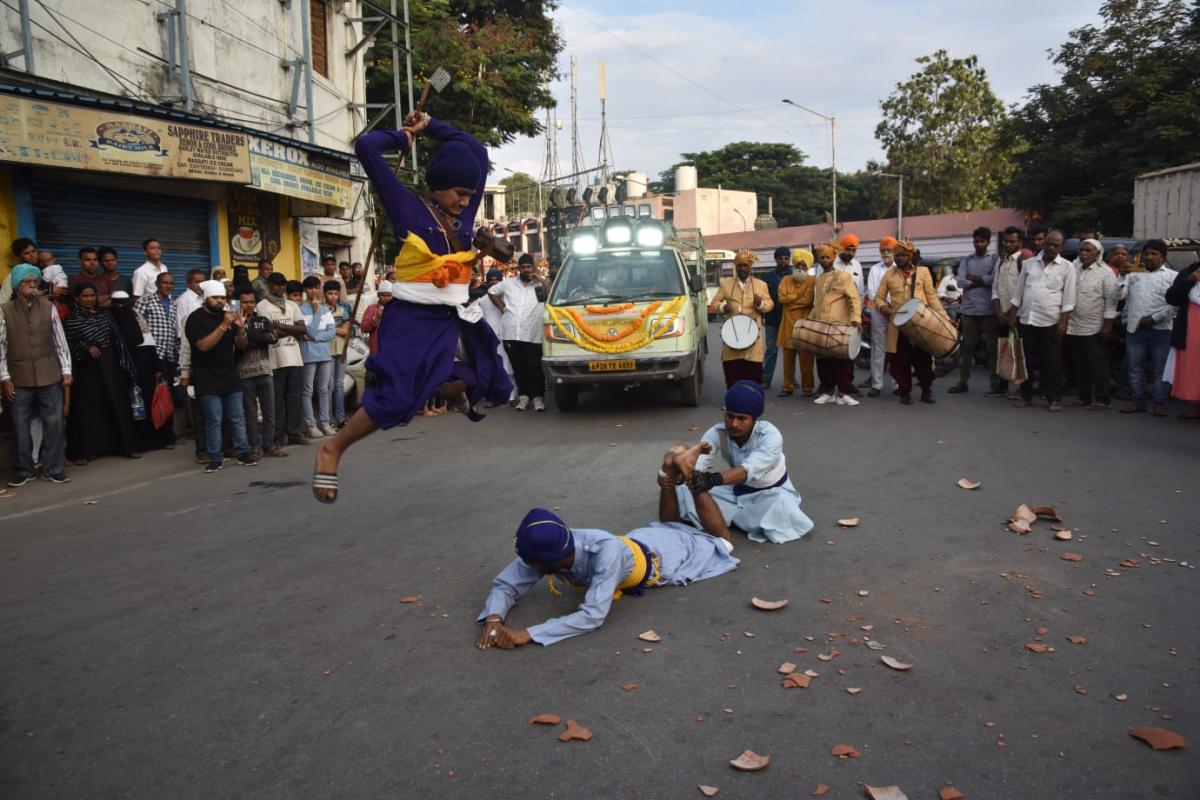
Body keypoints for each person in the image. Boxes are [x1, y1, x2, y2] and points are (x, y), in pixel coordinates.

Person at [311, 111, 512, 503]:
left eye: (470, 196)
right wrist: (402, 138)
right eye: (458, 194)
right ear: (439, 187)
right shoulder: (408, 210)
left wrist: (433, 124)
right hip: (411, 319)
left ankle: (443, 384)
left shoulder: (465, 214)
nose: (465, 203)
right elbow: (366, 147)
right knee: (397, 399)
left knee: (490, 378)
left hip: (452, 318)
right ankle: (332, 448)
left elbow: (478, 149)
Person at [476, 503, 738, 649]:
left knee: (722, 545)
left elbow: (592, 616)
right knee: (684, 525)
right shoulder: (550, 546)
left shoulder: (605, 553)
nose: (526, 565)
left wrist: (528, 633)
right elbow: (506, 583)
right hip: (638, 540)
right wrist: (494, 618)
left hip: (667, 557)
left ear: (549, 563)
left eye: (530, 563)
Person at [673, 380, 815, 544]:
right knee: (684, 492)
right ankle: (739, 517)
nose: (734, 424)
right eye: (730, 416)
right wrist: (686, 474)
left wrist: (710, 480)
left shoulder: (771, 436)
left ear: (754, 419)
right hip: (736, 490)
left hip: (772, 494)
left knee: (780, 509)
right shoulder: (717, 432)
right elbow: (699, 463)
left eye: (742, 418)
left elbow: (747, 470)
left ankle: (731, 516)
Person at [1, 265, 72, 486]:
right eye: (27, 282)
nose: (32, 286)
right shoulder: (4, 310)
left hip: (49, 374)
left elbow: (60, 340)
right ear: (17, 286)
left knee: (54, 423)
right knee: (20, 426)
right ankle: (24, 470)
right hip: (18, 377)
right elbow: (1, 346)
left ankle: (54, 468)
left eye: (35, 282)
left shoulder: (49, 307)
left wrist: (66, 370)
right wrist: (5, 377)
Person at [63, 284, 141, 464]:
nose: (90, 299)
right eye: (85, 296)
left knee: (116, 405)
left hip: (110, 369)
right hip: (86, 373)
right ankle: (87, 451)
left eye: (92, 295)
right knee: (88, 411)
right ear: (77, 298)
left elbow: (118, 341)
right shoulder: (71, 320)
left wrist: (125, 366)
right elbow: (67, 344)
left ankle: (125, 447)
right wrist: (85, 347)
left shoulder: (105, 316)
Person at [185, 280, 256, 472]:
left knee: (236, 417)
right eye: (215, 298)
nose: (219, 301)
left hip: (230, 374)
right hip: (206, 377)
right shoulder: (194, 319)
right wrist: (224, 325)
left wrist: (241, 328)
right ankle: (215, 457)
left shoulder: (229, 316)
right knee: (214, 419)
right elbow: (203, 346)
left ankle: (243, 452)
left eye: (222, 298)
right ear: (206, 298)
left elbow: (241, 345)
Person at [1007, 230, 1076, 412]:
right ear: (1044, 244)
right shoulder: (1029, 264)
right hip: (1027, 319)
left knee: (1052, 362)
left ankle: (1054, 398)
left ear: (1061, 247)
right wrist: (1013, 315)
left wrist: (1063, 323)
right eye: (1049, 244)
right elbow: (1018, 292)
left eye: (1056, 244)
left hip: (1051, 321)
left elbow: (1069, 299)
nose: (1051, 247)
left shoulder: (1067, 267)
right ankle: (1025, 395)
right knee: (1025, 361)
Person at [875, 240, 947, 405]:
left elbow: (932, 297)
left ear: (910, 256)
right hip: (898, 325)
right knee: (900, 361)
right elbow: (879, 297)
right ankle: (904, 392)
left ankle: (926, 391)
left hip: (921, 323)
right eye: (897, 255)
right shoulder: (889, 274)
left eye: (903, 256)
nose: (899, 258)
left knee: (924, 360)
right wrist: (884, 308)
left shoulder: (923, 272)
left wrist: (944, 317)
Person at [111, 290, 175, 452]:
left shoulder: (138, 318)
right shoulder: (109, 319)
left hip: (144, 367)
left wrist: (157, 368)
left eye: (123, 303)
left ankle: (154, 441)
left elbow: (148, 342)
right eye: (116, 304)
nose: (120, 307)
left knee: (146, 404)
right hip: (120, 370)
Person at [1120, 239, 1177, 416]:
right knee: (1135, 367)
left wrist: (1154, 318)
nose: (1149, 257)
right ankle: (1138, 401)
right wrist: (1122, 276)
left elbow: (1175, 304)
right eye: (1147, 254)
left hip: (1162, 328)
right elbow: (1119, 296)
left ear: (1163, 257)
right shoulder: (1133, 274)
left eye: (1154, 254)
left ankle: (1159, 402)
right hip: (1136, 328)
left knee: (1161, 369)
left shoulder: (1172, 276)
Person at [488, 254, 547, 411]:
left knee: (534, 366)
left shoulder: (540, 285)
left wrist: (540, 279)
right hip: (511, 332)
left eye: (529, 267)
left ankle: (538, 397)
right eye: (523, 267)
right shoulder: (508, 284)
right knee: (519, 367)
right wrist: (501, 307)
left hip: (533, 333)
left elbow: (553, 292)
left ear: (533, 268)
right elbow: (492, 291)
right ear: (518, 269)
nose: (526, 270)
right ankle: (524, 397)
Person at [257, 272, 309, 448]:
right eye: (277, 284)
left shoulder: (292, 304)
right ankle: (278, 436)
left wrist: (281, 326)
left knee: (294, 398)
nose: (281, 287)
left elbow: (302, 329)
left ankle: (294, 433)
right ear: (269, 285)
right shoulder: (262, 306)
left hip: (295, 358)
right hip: (275, 359)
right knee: (277, 400)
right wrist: (291, 329)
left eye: (283, 284)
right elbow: (269, 332)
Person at [1066, 239, 1119, 409]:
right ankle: (1084, 396)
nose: (1083, 253)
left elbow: (1111, 301)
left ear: (1097, 253)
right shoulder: (1073, 268)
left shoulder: (1106, 272)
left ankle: (1103, 398)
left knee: (1097, 364)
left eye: (1088, 251)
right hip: (1073, 325)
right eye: (1081, 250)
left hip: (1095, 326)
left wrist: (1107, 325)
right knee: (1079, 363)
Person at [234, 287, 284, 458]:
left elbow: (273, 338)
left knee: (269, 410)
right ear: (238, 303)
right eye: (245, 302)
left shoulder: (262, 320)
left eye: (251, 302)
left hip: (265, 370)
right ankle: (256, 446)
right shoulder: (234, 322)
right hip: (245, 373)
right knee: (251, 413)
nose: (248, 305)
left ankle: (269, 445)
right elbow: (240, 345)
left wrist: (250, 335)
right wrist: (256, 337)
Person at [809, 243, 862, 406]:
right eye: (822, 257)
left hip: (841, 324)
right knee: (824, 360)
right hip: (822, 324)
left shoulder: (843, 276)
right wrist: (810, 320)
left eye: (828, 257)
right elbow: (818, 303)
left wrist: (856, 319)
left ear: (833, 258)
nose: (825, 260)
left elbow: (853, 298)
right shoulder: (818, 279)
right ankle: (828, 392)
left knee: (842, 360)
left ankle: (844, 393)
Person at [712, 250, 774, 388]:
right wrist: (723, 307)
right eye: (739, 265)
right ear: (735, 267)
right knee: (732, 374)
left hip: (753, 337)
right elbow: (714, 302)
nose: (742, 268)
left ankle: (751, 403)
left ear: (750, 267)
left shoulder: (760, 285)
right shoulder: (726, 284)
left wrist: (760, 304)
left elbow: (770, 305)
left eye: (745, 265)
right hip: (732, 337)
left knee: (753, 375)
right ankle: (733, 403)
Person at [949, 227, 999, 394]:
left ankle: (995, 384)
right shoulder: (967, 260)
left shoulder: (994, 259)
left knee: (992, 349)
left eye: (982, 241)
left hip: (989, 310)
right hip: (969, 310)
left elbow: (994, 279)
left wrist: (975, 279)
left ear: (988, 242)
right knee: (967, 348)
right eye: (976, 241)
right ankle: (963, 382)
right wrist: (983, 281)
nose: (978, 244)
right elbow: (960, 281)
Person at [175, 268, 208, 463]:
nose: (200, 286)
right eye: (197, 282)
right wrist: (185, 370)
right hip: (195, 359)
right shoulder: (184, 301)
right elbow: (183, 336)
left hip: (215, 364)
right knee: (199, 410)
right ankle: (202, 449)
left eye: (203, 282)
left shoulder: (211, 303)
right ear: (189, 282)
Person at [299, 275, 336, 437]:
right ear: (305, 290)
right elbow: (309, 331)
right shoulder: (300, 310)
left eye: (316, 287)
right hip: (308, 355)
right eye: (310, 288)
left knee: (324, 389)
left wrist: (315, 337)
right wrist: (316, 312)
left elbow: (331, 332)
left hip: (325, 355)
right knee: (307, 390)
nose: (314, 291)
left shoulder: (326, 310)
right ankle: (310, 424)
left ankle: (325, 423)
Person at [775, 248, 815, 398]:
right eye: (798, 265)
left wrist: (791, 301)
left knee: (807, 360)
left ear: (808, 267)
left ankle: (807, 388)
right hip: (787, 326)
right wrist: (798, 296)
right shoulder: (786, 280)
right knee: (787, 360)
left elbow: (809, 300)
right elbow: (781, 298)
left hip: (805, 326)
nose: (800, 268)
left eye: (803, 266)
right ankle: (787, 387)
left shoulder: (813, 281)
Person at [991, 226, 1025, 399]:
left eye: (1012, 241)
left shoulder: (1024, 261)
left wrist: (1012, 314)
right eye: (1005, 241)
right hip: (1001, 314)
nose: (1007, 244)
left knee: (1018, 352)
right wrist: (998, 311)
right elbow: (995, 287)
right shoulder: (1001, 261)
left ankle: (1020, 390)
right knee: (1004, 350)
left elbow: (1023, 291)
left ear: (1020, 242)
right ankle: (1003, 387)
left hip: (1017, 315)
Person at [472, 268, 515, 403]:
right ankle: (502, 393)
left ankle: (515, 392)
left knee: (512, 366)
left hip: (510, 335)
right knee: (499, 366)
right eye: (492, 281)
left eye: (497, 281)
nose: (494, 284)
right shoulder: (482, 300)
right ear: (488, 282)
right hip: (493, 337)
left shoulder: (510, 297)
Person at [1164, 260, 1200, 420]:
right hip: (1191, 327)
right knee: (1194, 367)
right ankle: (1195, 408)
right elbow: (1172, 298)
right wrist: (1189, 281)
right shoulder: (1188, 272)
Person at [863, 237, 897, 397]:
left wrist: (892, 308)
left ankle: (897, 384)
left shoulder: (900, 269)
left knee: (897, 348)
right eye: (883, 250)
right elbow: (871, 291)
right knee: (878, 348)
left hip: (897, 312)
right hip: (879, 312)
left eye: (889, 250)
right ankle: (877, 384)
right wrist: (884, 307)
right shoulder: (875, 269)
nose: (886, 253)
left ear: (894, 251)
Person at [135, 272, 179, 387]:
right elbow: (136, 325)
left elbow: (173, 329)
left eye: (171, 283)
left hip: (168, 355)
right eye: (165, 283)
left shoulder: (174, 304)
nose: (168, 286)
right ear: (157, 284)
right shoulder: (145, 301)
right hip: (151, 354)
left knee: (167, 391)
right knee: (152, 390)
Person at [761, 246, 792, 390]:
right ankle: (766, 379)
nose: (783, 261)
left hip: (789, 320)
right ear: (776, 259)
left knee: (790, 350)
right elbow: (763, 298)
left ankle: (791, 379)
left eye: (786, 258)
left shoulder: (794, 276)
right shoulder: (768, 277)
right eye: (781, 258)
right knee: (771, 350)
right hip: (772, 319)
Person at [324, 280, 353, 428]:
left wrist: (330, 329)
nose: (333, 296)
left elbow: (346, 331)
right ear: (325, 294)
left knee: (339, 384)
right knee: (329, 386)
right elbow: (319, 331)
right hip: (326, 352)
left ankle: (341, 418)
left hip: (341, 351)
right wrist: (337, 329)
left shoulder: (343, 310)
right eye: (330, 293)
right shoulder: (321, 310)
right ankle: (328, 419)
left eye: (336, 293)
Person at [1, 238, 41, 305]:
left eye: (33, 251)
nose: (32, 255)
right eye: (26, 253)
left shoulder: (44, 271)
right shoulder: (12, 277)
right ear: (19, 256)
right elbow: (2, 303)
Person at [360, 280, 393, 355]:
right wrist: (376, 318)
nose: (386, 298)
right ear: (378, 295)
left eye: (389, 296)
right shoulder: (371, 309)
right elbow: (363, 328)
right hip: (376, 349)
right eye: (383, 295)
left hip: (392, 349)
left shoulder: (396, 310)